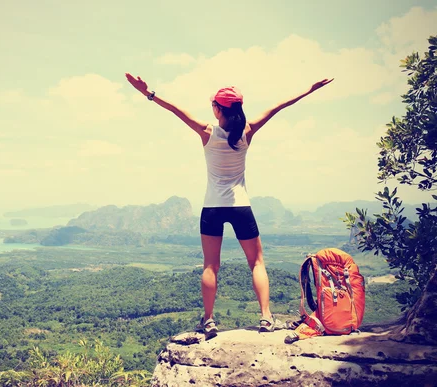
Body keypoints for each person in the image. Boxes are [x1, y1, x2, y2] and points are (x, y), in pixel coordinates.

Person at [125, 72, 333, 339]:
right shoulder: (247, 132)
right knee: (257, 262)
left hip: (212, 207)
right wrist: (308, 90)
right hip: (240, 206)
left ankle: (209, 321)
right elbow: (279, 106)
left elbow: (175, 109)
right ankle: (266, 317)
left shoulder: (207, 132)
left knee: (210, 265)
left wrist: (148, 93)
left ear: (217, 109)